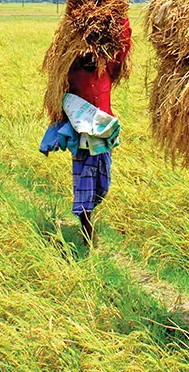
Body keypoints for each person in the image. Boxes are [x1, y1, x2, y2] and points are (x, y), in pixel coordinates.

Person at [67, 19, 132, 244]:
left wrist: (121, 20)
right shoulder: (72, 74)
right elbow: (60, 100)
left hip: (103, 138)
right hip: (83, 140)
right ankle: (86, 229)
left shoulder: (107, 71)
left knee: (103, 185)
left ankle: (89, 214)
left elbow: (123, 48)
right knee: (83, 184)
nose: (89, 56)